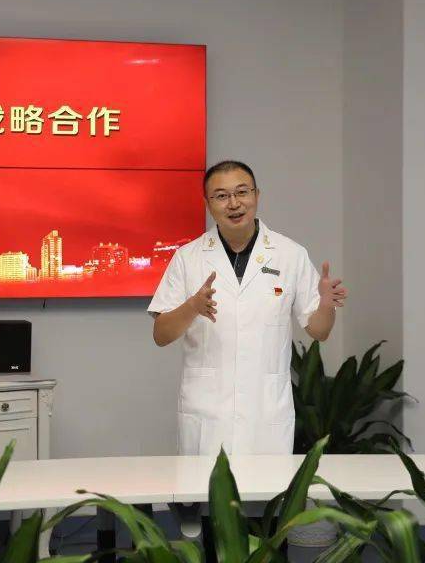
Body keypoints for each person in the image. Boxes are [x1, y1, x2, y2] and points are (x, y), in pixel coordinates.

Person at [148, 160, 347, 456]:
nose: (234, 203)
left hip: (266, 414)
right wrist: (192, 306)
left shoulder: (289, 255)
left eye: (242, 192)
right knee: (205, 486)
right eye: (221, 196)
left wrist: (327, 306)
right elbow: (161, 335)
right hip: (207, 414)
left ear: (257, 195)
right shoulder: (187, 258)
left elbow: (319, 331)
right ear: (208, 204)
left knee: (267, 486)